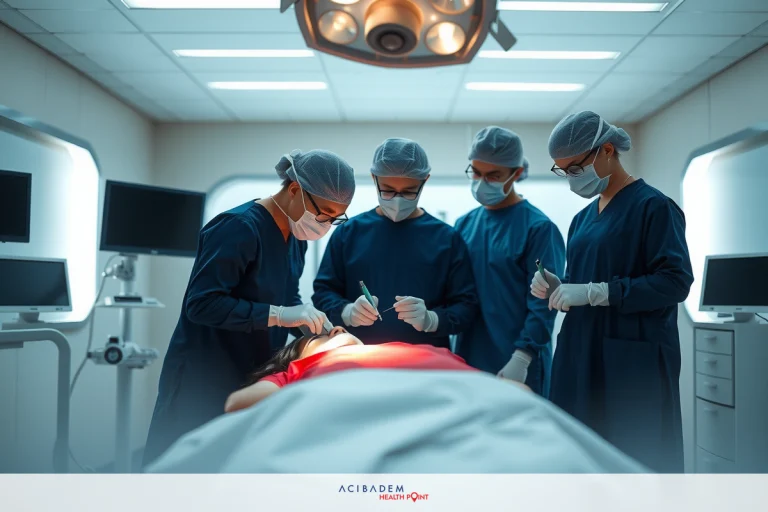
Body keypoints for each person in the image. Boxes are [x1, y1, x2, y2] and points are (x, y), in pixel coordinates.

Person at [143, 149, 356, 467]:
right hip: (203, 376)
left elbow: (286, 294)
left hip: (250, 371)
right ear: (295, 190)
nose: (325, 225)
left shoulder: (294, 236)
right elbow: (201, 304)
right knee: (182, 471)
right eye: (323, 214)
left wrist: (314, 326)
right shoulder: (238, 227)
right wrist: (279, 315)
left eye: (334, 218)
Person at [531, 111, 693, 473]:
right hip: (580, 354)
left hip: (632, 362)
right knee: (582, 459)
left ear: (606, 150)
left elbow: (675, 281)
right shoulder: (582, 219)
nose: (572, 178)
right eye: (564, 171)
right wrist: (561, 287)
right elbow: (584, 278)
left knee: (635, 460)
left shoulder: (655, 207)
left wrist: (599, 292)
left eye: (575, 168)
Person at [312, 138, 478, 349]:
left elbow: (466, 306)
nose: (397, 200)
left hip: (426, 361)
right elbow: (323, 292)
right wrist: (346, 312)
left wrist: (432, 320)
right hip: (358, 357)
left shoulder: (447, 238)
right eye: (388, 190)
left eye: (408, 191)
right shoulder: (349, 232)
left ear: (424, 181)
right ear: (374, 179)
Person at [454, 127, 565, 396]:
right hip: (470, 357)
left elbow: (544, 304)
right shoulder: (463, 225)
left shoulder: (538, 228)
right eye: (476, 173)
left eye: (493, 176)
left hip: (518, 361)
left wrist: (523, 356)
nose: (482, 182)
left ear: (516, 173)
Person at [224, 327, 530, 413]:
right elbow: (237, 404)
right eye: (318, 338)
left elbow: (514, 394)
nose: (336, 330)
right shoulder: (302, 370)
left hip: (458, 398)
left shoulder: (423, 351)